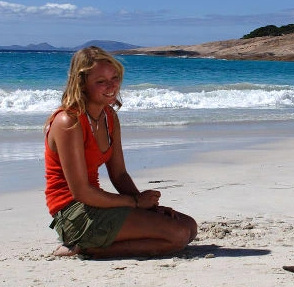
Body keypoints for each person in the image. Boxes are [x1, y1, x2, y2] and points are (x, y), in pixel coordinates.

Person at [44, 46, 197, 258]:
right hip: (73, 213)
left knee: (189, 227)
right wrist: (135, 203)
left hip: (99, 204)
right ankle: (85, 247)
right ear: (82, 84)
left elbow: (119, 175)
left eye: (115, 78)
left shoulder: (109, 117)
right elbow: (80, 192)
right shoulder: (67, 121)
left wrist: (147, 208)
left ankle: (98, 242)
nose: (111, 86)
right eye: (101, 81)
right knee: (177, 236)